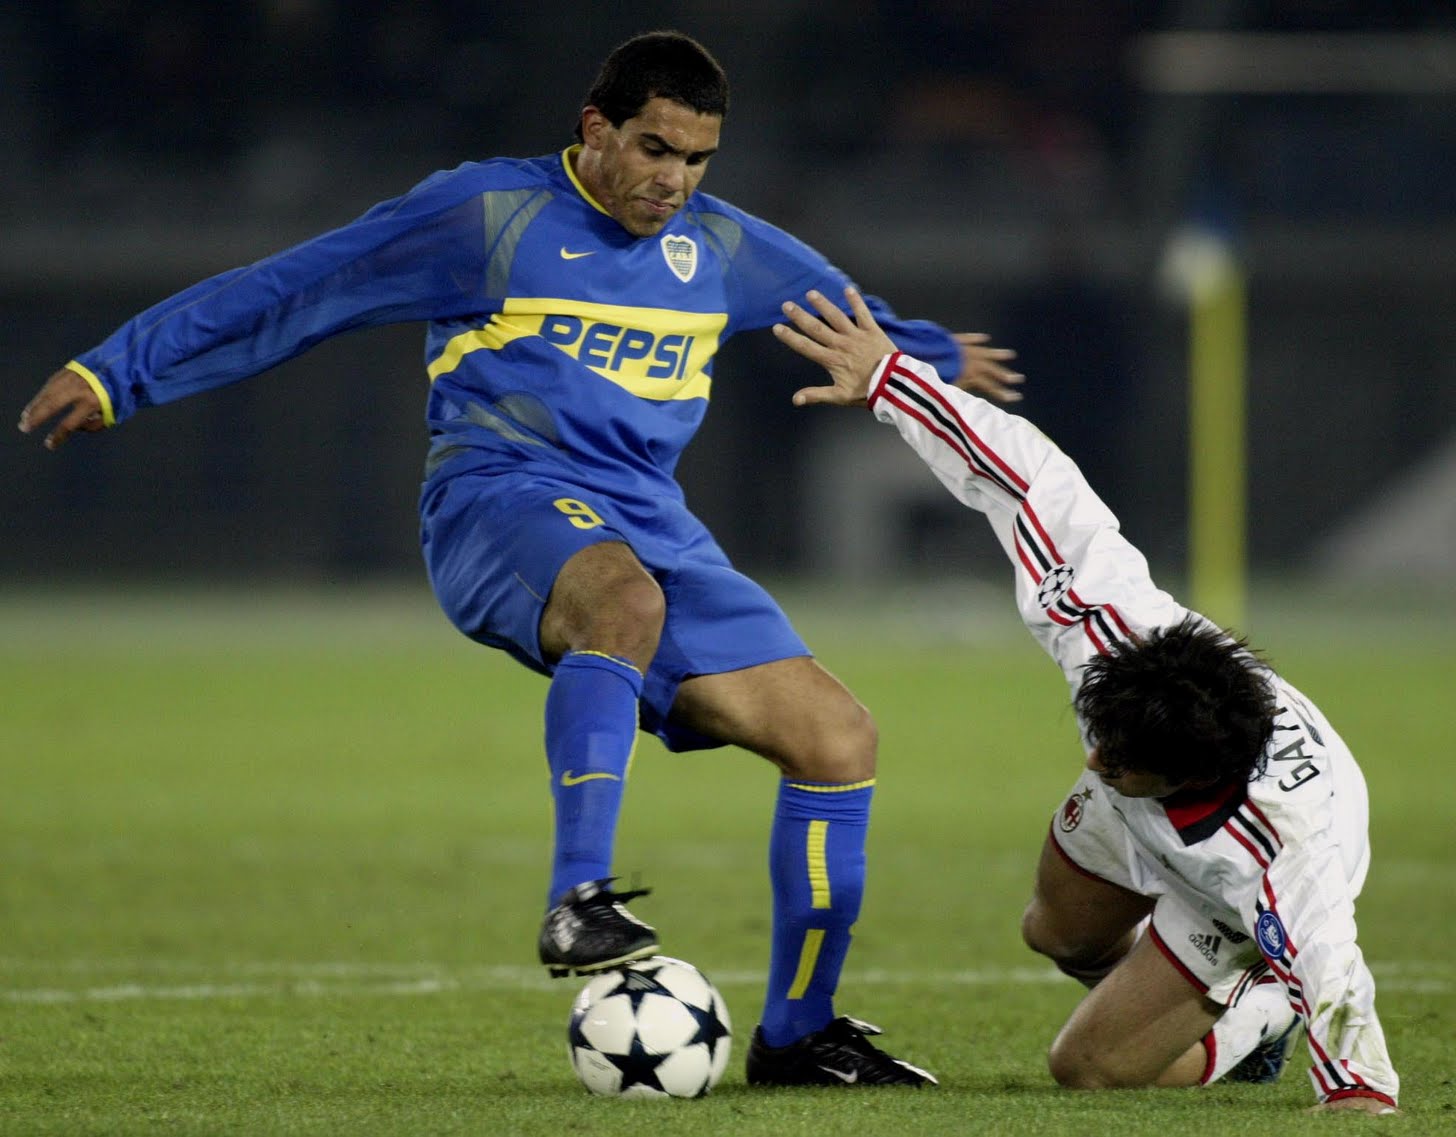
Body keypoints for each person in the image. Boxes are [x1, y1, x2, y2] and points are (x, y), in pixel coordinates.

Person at [18, 31, 1025, 1088]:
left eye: (695, 159)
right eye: (652, 149)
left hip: (654, 524)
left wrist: (936, 360)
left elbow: (855, 325)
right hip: (496, 499)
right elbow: (297, 289)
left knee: (836, 735)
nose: (672, 180)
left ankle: (798, 1034)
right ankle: (578, 898)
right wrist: (120, 372)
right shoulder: (489, 216)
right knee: (620, 604)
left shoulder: (723, 249)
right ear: (594, 129)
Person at [772, 288, 1400, 1114]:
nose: (1093, 758)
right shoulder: (1118, 632)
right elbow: (1034, 481)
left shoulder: (1281, 859)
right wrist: (894, 380)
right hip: (1162, 803)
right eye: (1101, 733)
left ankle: (1251, 1013)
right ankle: (1172, 986)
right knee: (1055, 932)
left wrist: (1355, 1087)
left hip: (1224, 890)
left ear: (1175, 774)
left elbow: (1342, 987)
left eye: (1116, 758)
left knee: (1089, 1068)